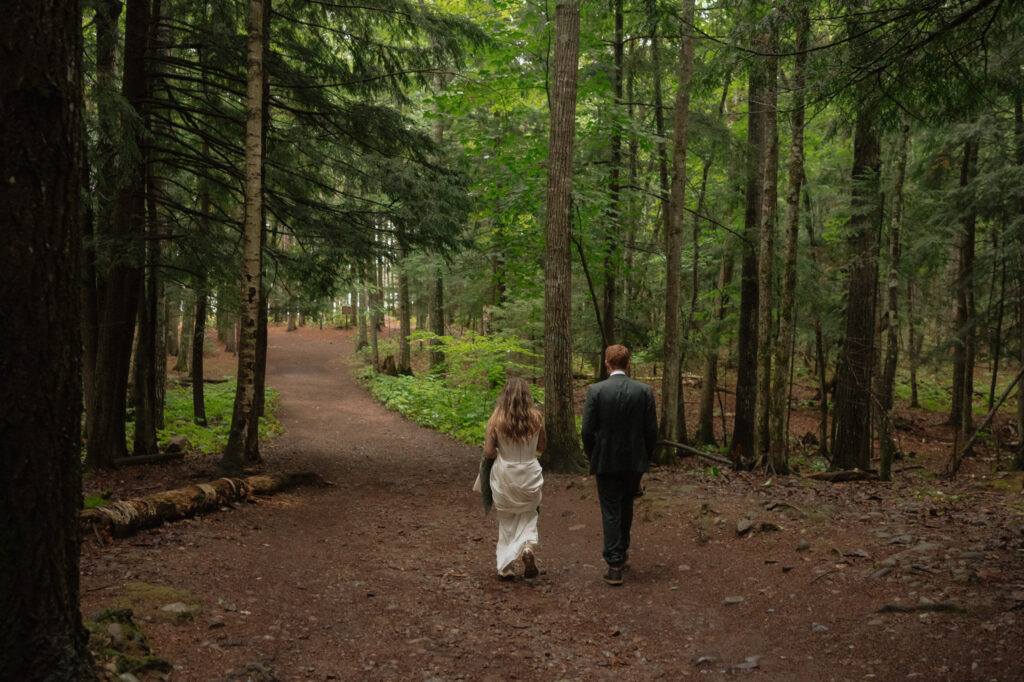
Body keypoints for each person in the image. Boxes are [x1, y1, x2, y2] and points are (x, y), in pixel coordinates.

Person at [581, 344, 658, 586]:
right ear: (628, 364)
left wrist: (593, 454)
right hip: (634, 461)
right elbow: (651, 431)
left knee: (611, 509)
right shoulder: (644, 391)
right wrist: (645, 457)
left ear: (607, 363)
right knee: (626, 505)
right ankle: (621, 552)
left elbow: (586, 430)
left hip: (606, 460)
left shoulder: (596, 391)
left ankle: (615, 563)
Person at [480, 377, 547, 579]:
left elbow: (489, 452)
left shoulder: (496, 419)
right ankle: (527, 548)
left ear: (505, 396)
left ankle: (506, 567)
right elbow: (542, 448)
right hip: (529, 473)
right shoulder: (537, 418)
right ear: (527, 396)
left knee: (507, 518)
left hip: (505, 475)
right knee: (528, 515)